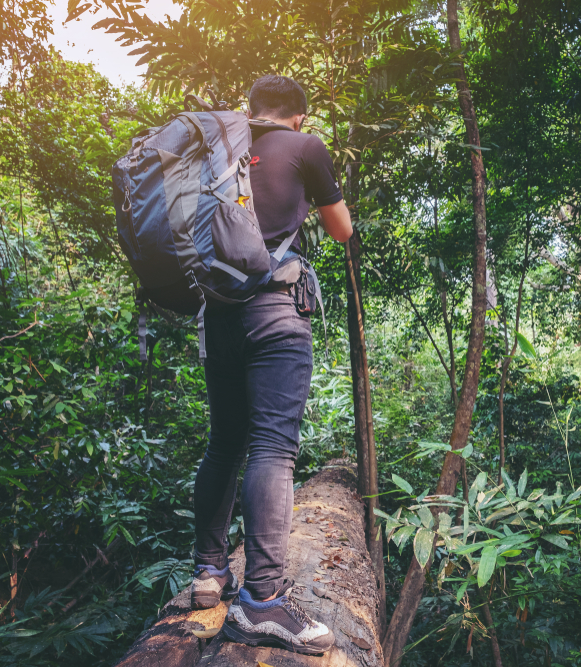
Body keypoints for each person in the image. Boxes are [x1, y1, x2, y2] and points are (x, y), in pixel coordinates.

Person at [187, 75, 353, 655]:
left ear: (252, 111)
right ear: (299, 118)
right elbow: (341, 229)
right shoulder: (305, 147)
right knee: (272, 448)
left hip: (216, 316)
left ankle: (209, 574)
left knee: (223, 444)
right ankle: (262, 602)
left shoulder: (218, 151)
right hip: (274, 314)